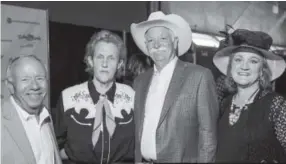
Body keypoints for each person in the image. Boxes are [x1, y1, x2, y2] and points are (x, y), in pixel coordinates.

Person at [130, 11, 219, 163]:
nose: (156, 45)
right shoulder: (140, 81)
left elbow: (208, 135)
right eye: (151, 41)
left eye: (163, 38)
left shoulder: (199, 76)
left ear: (175, 42)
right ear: (146, 46)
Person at [53, 30, 135, 164]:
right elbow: (55, 146)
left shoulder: (132, 96)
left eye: (111, 58)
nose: (104, 64)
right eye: (100, 57)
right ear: (90, 61)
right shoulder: (67, 97)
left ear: (120, 64)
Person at [213, 29, 286, 162]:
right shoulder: (224, 103)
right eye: (238, 59)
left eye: (253, 61)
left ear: (262, 71)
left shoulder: (276, 105)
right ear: (230, 66)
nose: (244, 67)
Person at [2, 55, 62, 164]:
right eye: (25, 79)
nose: (35, 86)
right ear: (10, 86)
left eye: (40, 78)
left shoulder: (46, 115)